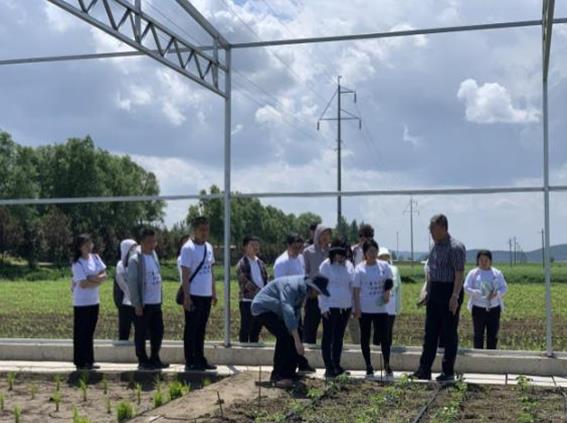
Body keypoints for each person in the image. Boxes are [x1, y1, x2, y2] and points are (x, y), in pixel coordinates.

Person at [412, 214, 466, 383]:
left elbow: (459, 274)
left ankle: (447, 371)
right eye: (430, 230)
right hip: (434, 290)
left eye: (433, 230)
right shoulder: (434, 246)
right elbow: (431, 271)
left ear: (443, 227)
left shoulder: (455, 247)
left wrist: (455, 296)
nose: (431, 233)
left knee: (449, 333)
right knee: (430, 332)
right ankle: (424, 369)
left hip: (449, 290)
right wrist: (426, 291)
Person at [251, 274, 330, 388]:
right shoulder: (291, 287)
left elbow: (296, 311)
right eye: (318, 292)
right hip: (262, 308)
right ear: (312, 287)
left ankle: (290, 373)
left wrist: (297, 334)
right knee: (284, 336)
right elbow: (288, 310)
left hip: (277, 309)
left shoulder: (303, 290)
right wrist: (297, 341)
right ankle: (279, 375)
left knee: (295, 333)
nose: (318, 295)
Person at [273, 233, 316, 373]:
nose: (298, 251)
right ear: (288, 245)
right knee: (287, 337)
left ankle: (299, 363)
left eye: (300, 247)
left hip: (297, 303)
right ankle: (282, 369)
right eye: (295, 247)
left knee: (298, 334)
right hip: (286, 304)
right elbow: (280, 285)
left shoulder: (300, 259)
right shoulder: (282, 262)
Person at [127, 227, 169, 370]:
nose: (152, 245)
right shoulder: (135, 259)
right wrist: (137, 304)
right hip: (143, 304)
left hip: (156, 301)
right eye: (149, 242)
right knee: (141, 332)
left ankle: (155, 357)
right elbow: (132, 283)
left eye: (154, 241)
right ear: (142, 242)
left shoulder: (154, 255)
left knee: (158, 331)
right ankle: (143, 360)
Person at [180, 216, 217, 371]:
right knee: (191, 328)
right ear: (195, 230)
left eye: (207, 230)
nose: (204, 233)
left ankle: (200, 358)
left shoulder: (209, 247)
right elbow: (185, 274)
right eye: (201, 230)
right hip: (193, 294)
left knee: (201, 328)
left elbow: (211, 271)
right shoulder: (188, 248)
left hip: (206, 295)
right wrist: (187, 296)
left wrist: (213, 292)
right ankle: (190, 360)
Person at [353, 239, 394, 379]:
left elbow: (389, 282)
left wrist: (387, 293)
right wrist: (357, 308)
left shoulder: (384, 266)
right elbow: (356, 290)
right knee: (365, 337)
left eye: (375, 251)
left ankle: (387, 364)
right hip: (365, 309)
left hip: (381, 309)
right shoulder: (359, 269)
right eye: (370, 251)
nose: (373, 254)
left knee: (384, 338)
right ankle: (368, 365)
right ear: (365, 253)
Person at [318, 239, 355, 378]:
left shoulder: (349, 265)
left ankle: (336, 364)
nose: (342, 257)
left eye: (344, 255)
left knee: (339, 337)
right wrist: (323, 307)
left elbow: (352, 285)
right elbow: (321, 288)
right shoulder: (325, 266)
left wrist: (352, 306)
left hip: (345, 307)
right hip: (330, 306)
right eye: (339, 254)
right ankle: (328, 367)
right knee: (328, 337)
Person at [71, 234, 107, 370]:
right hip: (81, 302)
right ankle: (80, 362)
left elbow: (104, 275)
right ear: (79, 247)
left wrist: (92, 278)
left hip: (94, 300)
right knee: (81, 332)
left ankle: (89, 361)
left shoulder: (96, 258)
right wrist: (96, 280)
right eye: (85, 244)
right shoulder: (77, 263)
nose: (88, 246)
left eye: (89, 243)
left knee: (90, 332)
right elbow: (83, 284)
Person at [464, 250, 508, 349]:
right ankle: (478, 354)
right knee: (478, 334)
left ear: (490, 261)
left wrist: (496, 294)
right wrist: (476, 292)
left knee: (493, 335)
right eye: (481, 260)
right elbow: (466, 287)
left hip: (494, 308)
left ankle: (491, 355)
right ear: (477, 261)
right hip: (478, 308)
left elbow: (504, 288)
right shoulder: (473, 273)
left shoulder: (497, 273)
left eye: (486, 260)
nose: (483, 262)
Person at [302, 224, 332, 344]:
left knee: (329, 328)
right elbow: (304, 273)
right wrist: (310, 289)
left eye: (328, 234)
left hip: (329, 295)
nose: (325, 237)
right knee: (310, 327)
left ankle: (328, 353)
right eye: (323, 234)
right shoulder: (308, 251)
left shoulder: (332, 252)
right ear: (317, 235)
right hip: (313, 295)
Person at [236, 235, 269, 343]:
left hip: (260, 301)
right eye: (252, 245)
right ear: (245, 247)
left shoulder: (261, 263)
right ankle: (243, 348)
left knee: (256, 328)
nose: (256, 247)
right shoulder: (242, 263)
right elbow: (245, 282)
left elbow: (266, 279)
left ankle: (254, 346)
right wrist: (260, 293)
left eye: (257, 245)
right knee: (246, 327)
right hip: (247, 300)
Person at [348, 224, 375, 344]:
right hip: (354, 289)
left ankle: (368, 344)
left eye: (367, 237)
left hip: (369, 290)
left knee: (370, 320)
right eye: (362, 237)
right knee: (353, 319)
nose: (364, 239)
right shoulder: (353, 250)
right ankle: (356, 344)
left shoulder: (375, 250)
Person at [378, 248, 402, 352]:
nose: (384, 259)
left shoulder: (394, 269)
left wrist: (398, 306)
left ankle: (388, 350)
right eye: (381, 257)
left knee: (388, 328)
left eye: (386, 257)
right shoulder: (374, 269)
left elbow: (398, 288)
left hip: (391, 302)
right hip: (378, 303)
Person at [114, 239, 137, 341]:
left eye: (135, 247)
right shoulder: (120, 265)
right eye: (132, 248)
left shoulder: (138, 263)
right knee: (124, 331)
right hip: (125, 304)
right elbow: (122, 284)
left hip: (137, 303)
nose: (134, 250)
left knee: (142, 330)